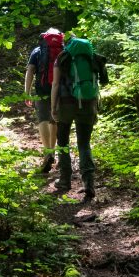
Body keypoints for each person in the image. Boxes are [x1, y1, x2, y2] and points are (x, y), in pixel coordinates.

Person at [50, 34, 107, 202]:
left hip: (66, 105)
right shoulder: (93, 57)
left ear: (67, 45)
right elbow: (103, 81)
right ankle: (89, 183)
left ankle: (65, 180)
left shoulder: (62, 57)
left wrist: (53, 108)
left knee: (62, 142)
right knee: (84, 144)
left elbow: (55, 84)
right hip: (88, 105)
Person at [24, 27, 64, 172]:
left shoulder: (37, 50)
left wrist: (27, 93)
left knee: (43, 119)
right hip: (59, 90)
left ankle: (47, 152)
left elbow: (30, 71)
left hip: (41, 89)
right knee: (54, 120)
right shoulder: (63, 49)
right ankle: (52, 150)